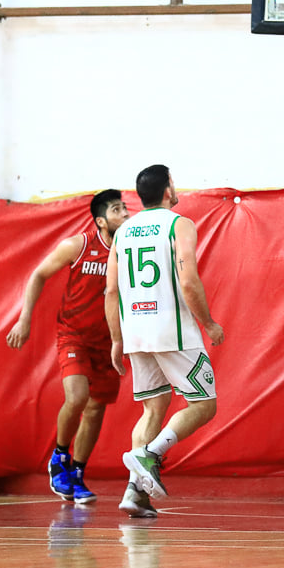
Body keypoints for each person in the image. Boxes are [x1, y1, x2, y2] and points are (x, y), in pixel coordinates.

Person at [105, 164, 224, 517]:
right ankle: (150, 454)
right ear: (168, 189)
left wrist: (116, 339)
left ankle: (133, 493)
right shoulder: (179, 224)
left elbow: (111, 290)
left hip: (136, 332)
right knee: (204, 405)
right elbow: (187, 280)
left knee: (152, 410)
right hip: (172, 330)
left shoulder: (123, 232)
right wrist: (209, 323)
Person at [6, 190, 130, 506]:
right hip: (74, 335)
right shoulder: (79, 245)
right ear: (101, 221)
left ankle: (77, 472)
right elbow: (38, 275)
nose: (125, 214)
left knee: (95, 408)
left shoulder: (131, 251)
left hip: (109, 341)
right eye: (117, 210)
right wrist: (24, 320)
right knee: (77, 397)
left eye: (125, 207)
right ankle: (59, 456)